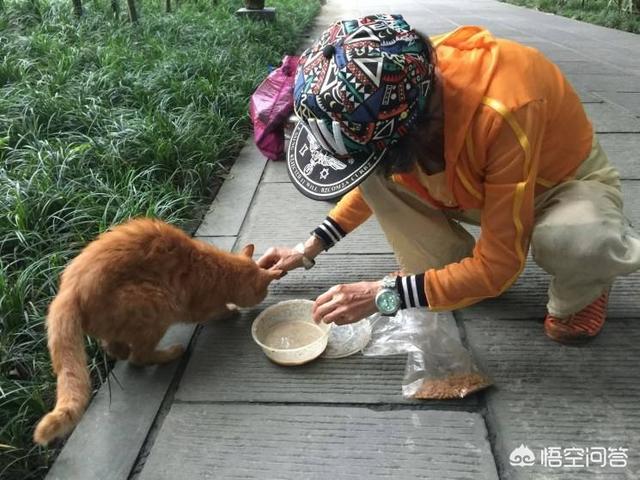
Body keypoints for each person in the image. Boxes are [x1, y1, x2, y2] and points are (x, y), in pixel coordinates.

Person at [257, 13, 640, 344]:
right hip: (471, 181)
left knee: (579, 241)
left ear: (415, 130)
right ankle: (446, 273)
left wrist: (385, 293)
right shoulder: (403, 81)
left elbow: (500, 269)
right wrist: (307, 249)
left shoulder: (506, 106)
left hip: (557, 184)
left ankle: (583, 291)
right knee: (380, 173)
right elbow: (372, 184)